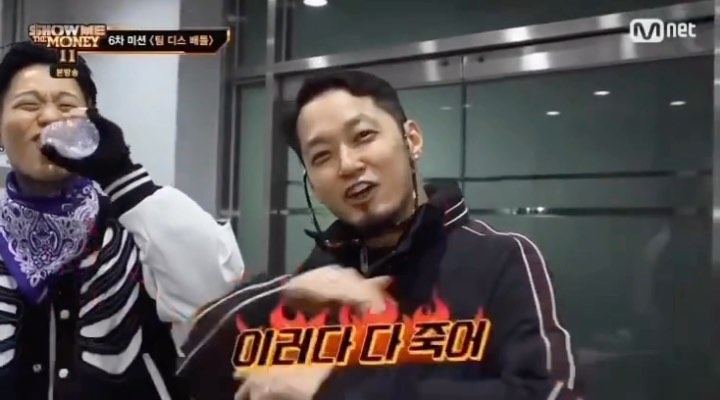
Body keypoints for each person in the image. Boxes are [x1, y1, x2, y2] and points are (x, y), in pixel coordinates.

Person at [180, 70, 581, 400]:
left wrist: (339, 391)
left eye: (363, 137)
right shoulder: (317, 277)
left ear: (412, 140)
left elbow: (550, 393)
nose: (348, 164)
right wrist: (286, 292)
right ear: (313, 184)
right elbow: (191, 367)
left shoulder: (501, 258)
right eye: (322, 156)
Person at [0, 42, 245, 399]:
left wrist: (125, 179)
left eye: (66, 106)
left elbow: (217, 299)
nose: (50, 117)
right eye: (28, 105)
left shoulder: (138, 223)